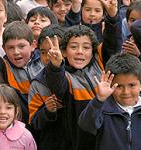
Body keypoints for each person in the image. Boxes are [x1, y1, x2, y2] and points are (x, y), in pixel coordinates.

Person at [45, 1, 121, 146]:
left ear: (93, 52)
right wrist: (55, 66)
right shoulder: (65, 76)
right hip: (79, 142)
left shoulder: (100, 64)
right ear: (64, 52)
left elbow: (112, 43)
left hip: (106, 139)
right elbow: (57, 87)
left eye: (86, 47)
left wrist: (112, 16)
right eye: (73, 47)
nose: (80, 51)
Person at [0, 5, 43, 125]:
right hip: (19, 126)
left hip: (46, 122)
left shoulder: (43, 61)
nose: (16, 52)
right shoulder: (5, 67)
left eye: (21, 46)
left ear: (33, 45)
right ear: (4, 48)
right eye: (11, 48)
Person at [78, 53, 141, 150]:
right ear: (110, 84)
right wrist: (99, 100)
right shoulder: (103, 108)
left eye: (132, 85)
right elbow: (86, 125)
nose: (126, 92)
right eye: (118, 86)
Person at [28, 24, 71, 150]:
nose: (48, 56)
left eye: (54, 50)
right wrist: (47, 111)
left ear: (64, 51)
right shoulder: (37, 83)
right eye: (43, 52)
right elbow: (34, 122)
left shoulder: (75, 75)